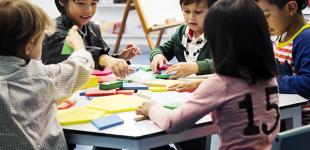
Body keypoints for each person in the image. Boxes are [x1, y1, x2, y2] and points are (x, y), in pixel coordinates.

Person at [137, 0, 280, 149]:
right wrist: (203, 84)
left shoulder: (221, 84)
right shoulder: (269, 76)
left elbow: (172, 123)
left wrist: (151, 108)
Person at [0, 0, 94, 149]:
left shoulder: (93, 28)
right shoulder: (42, 78)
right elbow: (81, 68)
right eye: (40, 40)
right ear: (29, 46)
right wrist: (78, 46)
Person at [42, 0, 141, 78]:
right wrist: (107, 59)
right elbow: (69, 53)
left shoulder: (93, 27)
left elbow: (100, 59)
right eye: (81, 3)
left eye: (93, 3)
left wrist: (119, 58)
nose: (88, 10)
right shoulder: (53, 29)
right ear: (62, 1)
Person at [255, 0, 310, 125]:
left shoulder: (306, 38)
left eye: (266, 16)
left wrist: (271, 82)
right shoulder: (282, 35)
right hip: (287, 116)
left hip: (303, 125)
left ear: (291, 8)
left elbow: (308, 82)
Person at [150, 0, 216, 79]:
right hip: (183, 86)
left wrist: (195, 67)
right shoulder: (181, 32)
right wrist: (157, 55)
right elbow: (161, 49)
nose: (191, 17)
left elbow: (227, 62)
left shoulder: (219, 34)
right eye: (186, 11)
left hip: (208, 87)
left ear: (213, 12)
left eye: (198, 12)